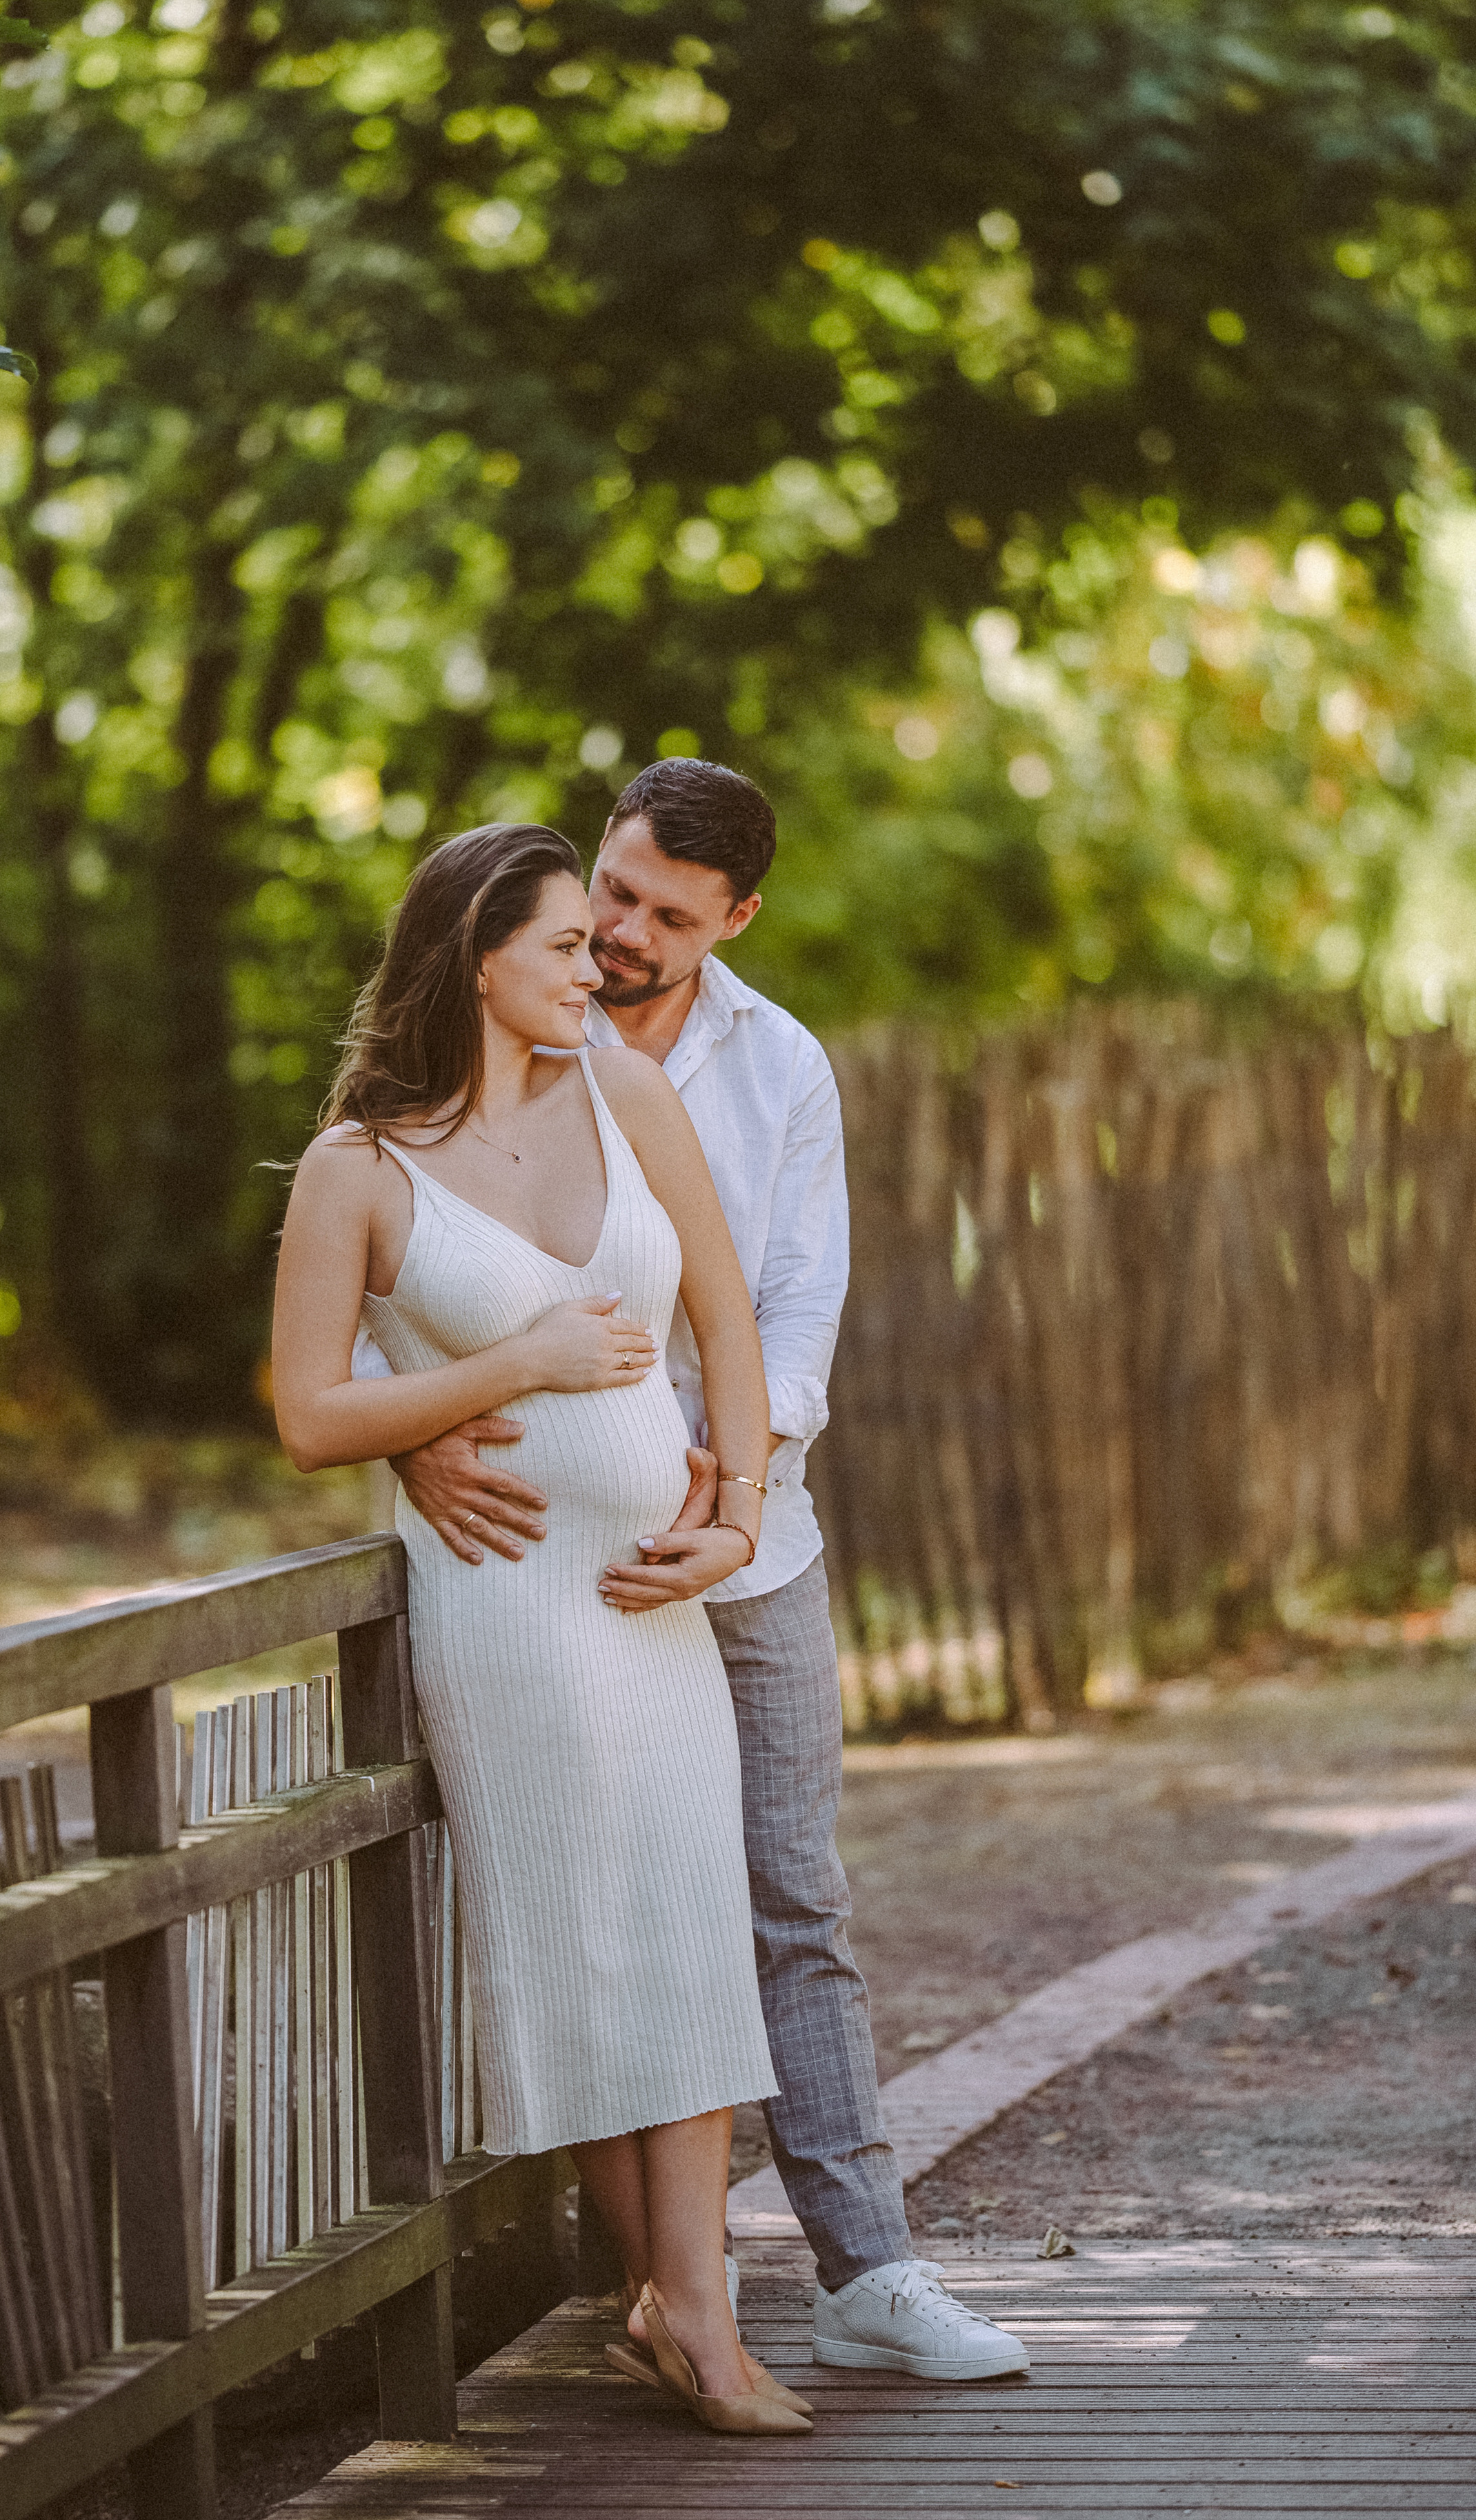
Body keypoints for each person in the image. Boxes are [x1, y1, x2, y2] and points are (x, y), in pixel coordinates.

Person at [388, 760, 1029, 2383]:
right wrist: (413, 1436)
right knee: (604, 1895)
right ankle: (666, 2297)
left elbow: (789, 1305)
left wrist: (731, 1477)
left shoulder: (779, 1068)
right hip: (549, 1564)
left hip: (744, 1544)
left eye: (665, 916)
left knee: (789, 1893)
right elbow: (403, 1256)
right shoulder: (503, 1022)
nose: (620, 932)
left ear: (734, 919)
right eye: (612, 891)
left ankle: (866, 2273)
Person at [272, 821, 814, 2437]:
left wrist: (735, 1513)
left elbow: (723, 1316)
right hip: (504, 1602)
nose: (602, 967)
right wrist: (509, 1369)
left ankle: (690, 2306)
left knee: (689, 1927)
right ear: (476, 958)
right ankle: (674, 2307)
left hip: (649, 1594)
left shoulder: (624, 1094)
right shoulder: (357, 1169)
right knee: (577, 1940)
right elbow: (309, 1413)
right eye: (569, 944)